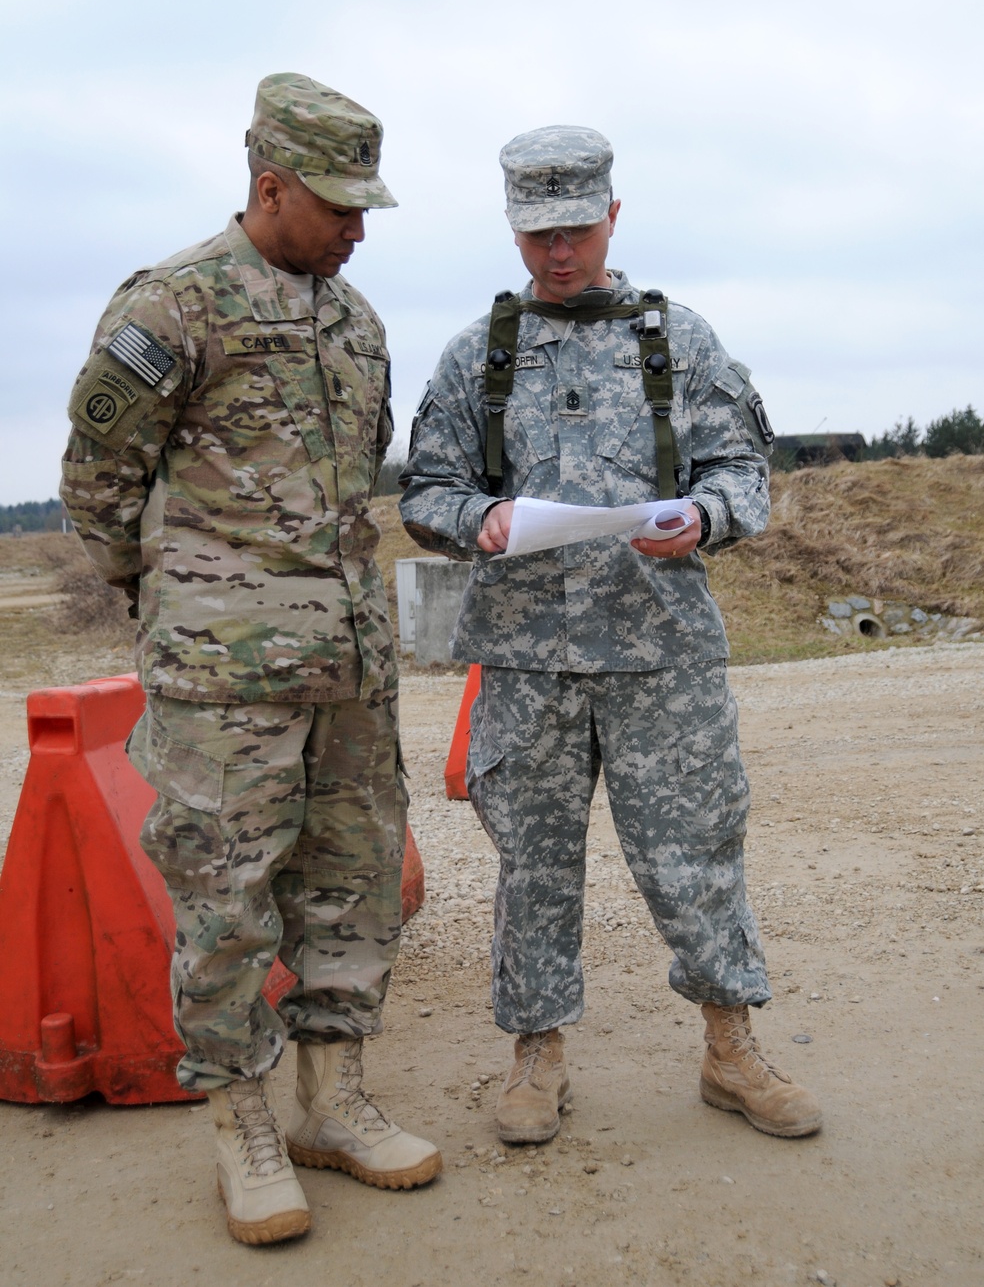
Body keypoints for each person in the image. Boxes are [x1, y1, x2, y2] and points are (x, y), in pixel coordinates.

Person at [60, 73, 441, 1246]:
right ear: (269, 185)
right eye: (337, 204)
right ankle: (243, 1121)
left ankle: (333, 1099)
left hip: (350, 675)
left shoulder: (356, 320)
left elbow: (358, 485)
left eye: (368, 206)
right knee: (225, 901)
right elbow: (97, 484)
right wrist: (182, 605)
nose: (358, 229)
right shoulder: (173, 305)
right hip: (222, 684)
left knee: (353, 878)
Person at [399, 125, 821, 1148]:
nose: (558, 252)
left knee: (695, 857)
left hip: (661, 655)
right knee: (533, 865)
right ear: (512, 231)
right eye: (538, 233)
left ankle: (730, 1049)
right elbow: (426, 489)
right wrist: (475, 521)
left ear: (612, 218)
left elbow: (742, 471)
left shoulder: (679, 339)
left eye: (576, 230)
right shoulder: (477, 357)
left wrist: (706, 519)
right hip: (528, 661)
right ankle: (536, 1058)